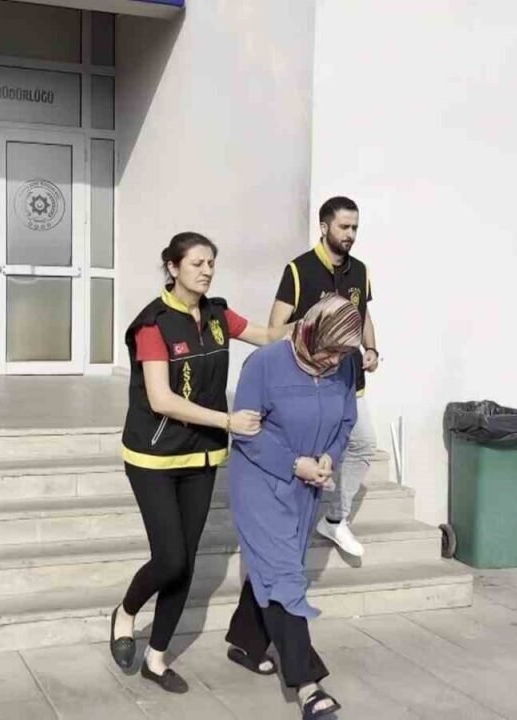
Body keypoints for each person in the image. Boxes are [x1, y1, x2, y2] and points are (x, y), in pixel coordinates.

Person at [109, 232, 289, 694]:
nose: (207, 271)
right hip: (153, 457)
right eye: (197, 263)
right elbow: (161, 399)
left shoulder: (217, 315)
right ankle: (126, 612)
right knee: (169, 558)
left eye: (211, 263)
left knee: (185, 563)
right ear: (173, 268)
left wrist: (310, 317)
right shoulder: (153, 325)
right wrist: (228, 420)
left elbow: (269, 336)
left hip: (202, 455)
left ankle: (156, 659)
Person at [226, 294, 362, 720]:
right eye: (330, 350)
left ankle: (246, 641)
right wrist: (293, 463)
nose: (334, 361)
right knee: (285, 574)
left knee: (274, 565)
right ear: (310, 332)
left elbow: (346, 421)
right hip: (261, 481)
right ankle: (308, 686)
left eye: (343, 353)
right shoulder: (265, 364)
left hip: (308, 483)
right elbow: (246, 432)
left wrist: (329, 458)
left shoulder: (346, 365)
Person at [269, 196, 380, 558]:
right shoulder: (299, 270)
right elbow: (274, 328)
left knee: (363, 443)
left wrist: (371, 348)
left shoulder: (360, 271)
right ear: (324, 227)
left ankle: (335, 518)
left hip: (348, 382)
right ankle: (286, 531)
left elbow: (362, 315)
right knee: (306, 454)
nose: (351, 234)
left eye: (355, 228)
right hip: (309, 382)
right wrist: (314, 328)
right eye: (344, 227)